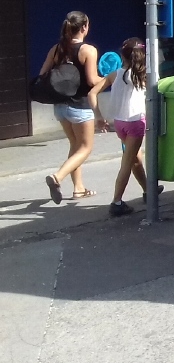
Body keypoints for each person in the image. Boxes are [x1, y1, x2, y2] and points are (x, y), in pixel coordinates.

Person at [88, 38, 153, 216]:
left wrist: (99, 117)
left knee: (134, 159)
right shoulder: (143, 75)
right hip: (136, 123)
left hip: (119, 124)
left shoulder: (114, 74)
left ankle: (149, 191)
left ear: (122, 56)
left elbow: (92, 93)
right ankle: (116, 202)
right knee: (127, 163)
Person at [43, 11, 101, 204]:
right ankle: (57, 177)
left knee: (75, 146)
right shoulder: (88, 50)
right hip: (80, 106)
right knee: (85, 148)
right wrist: (109, 79)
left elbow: (43, 74)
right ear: (84, 27)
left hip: (60, 106)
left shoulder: (57, 49)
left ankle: (79, 189)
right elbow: (92, 80)